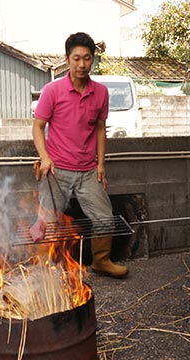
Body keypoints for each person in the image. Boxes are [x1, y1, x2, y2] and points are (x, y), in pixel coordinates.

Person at [30, 32, 128, 278]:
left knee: (105, 218)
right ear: (67, 59)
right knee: (48, 222)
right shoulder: (52, 90)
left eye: (87, 58)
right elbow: (38, 127)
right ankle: (42, 269)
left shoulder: (101, 92)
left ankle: (101, 261)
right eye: (76, 58)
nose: (82, 64)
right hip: (56, 170)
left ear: (93, 59)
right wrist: (44, 157)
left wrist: (101, 163)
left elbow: (100, 128)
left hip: (87, 170)